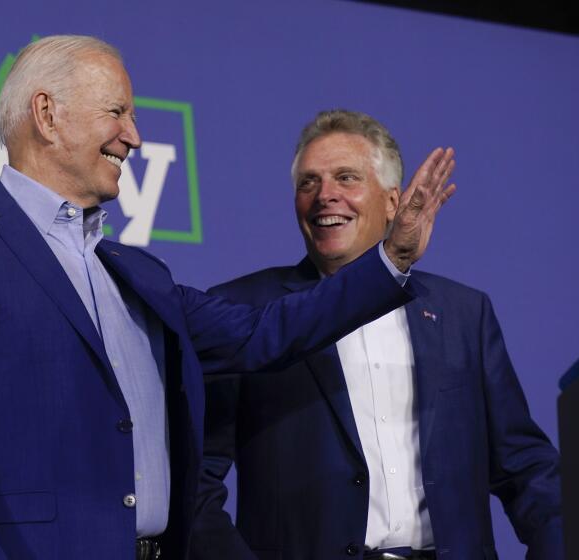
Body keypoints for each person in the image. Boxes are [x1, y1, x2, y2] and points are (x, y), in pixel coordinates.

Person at [0, 37, 453, 559]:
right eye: (117, 112)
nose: (135, 135)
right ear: (47, 115)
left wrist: (392, 259)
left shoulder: (135, 271)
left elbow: (262, 333)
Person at [190, 110, 562, 560]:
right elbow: (196, 482)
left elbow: (526, 468)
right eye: (308, 183)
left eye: (346, 178)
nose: (325, 196)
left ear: (392, 202)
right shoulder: (248, 310)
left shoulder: (464, 313)